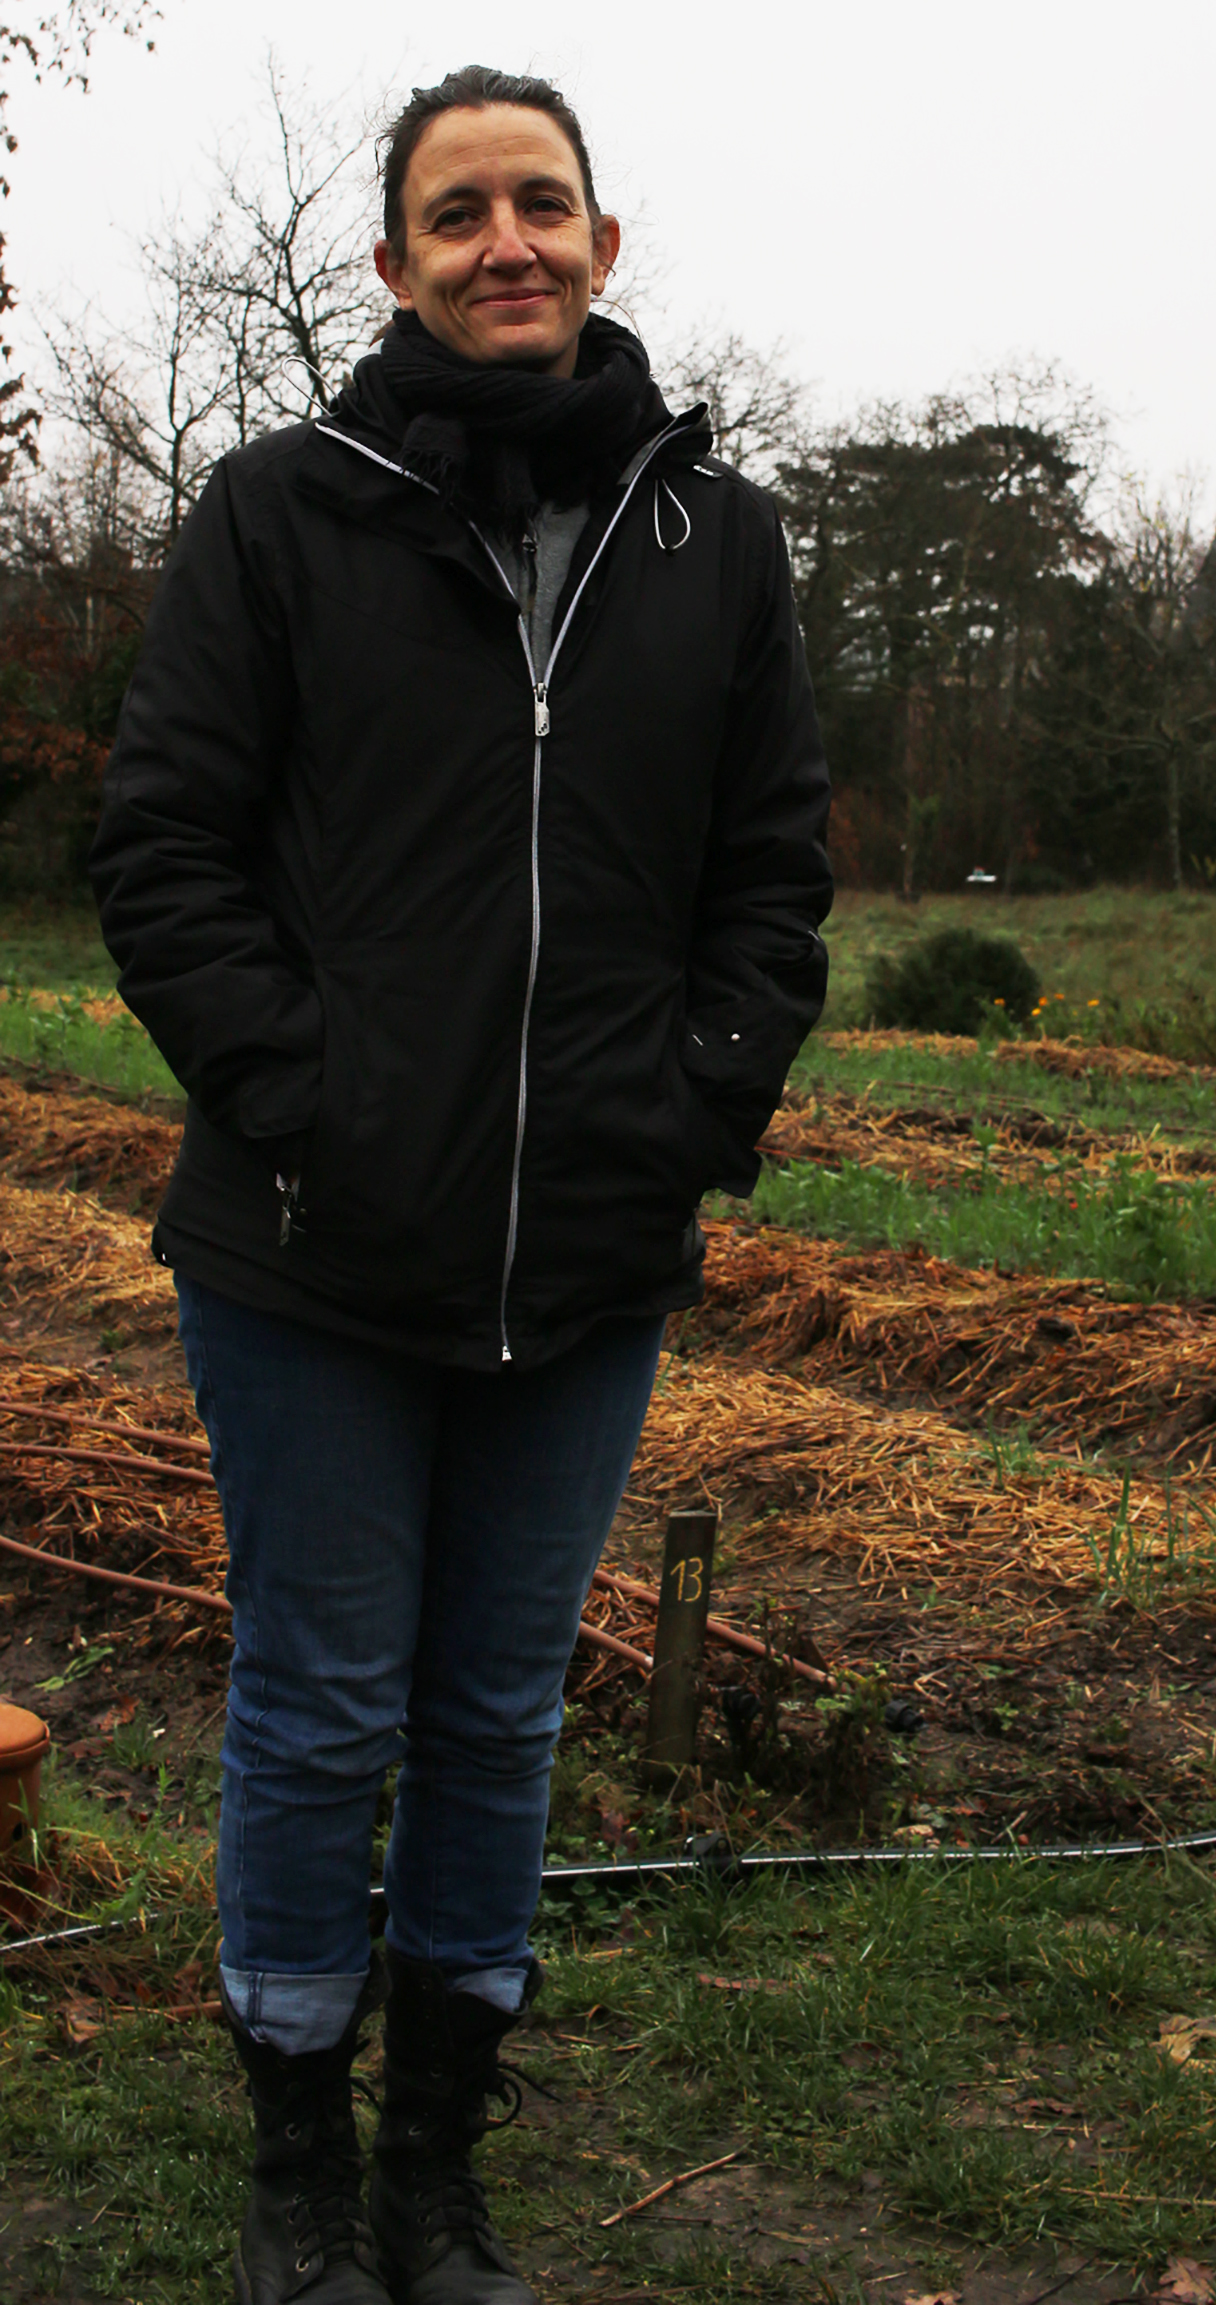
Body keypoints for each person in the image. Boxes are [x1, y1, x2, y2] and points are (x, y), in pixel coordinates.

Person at [89, 66, 830, 2305]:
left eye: (542, 204)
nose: (504, 241)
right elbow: (166, 851)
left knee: (501, 1714)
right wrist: (302, 1098)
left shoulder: (720, 543)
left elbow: (773, 875)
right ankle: (301, 2164)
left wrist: (689, 1105)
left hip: (589, 1256)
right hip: (313, 1249)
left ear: (607, 246)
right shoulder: (276, 516)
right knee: (324, 1701)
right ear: (395, 260)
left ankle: (438, 2168)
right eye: (456, 211)